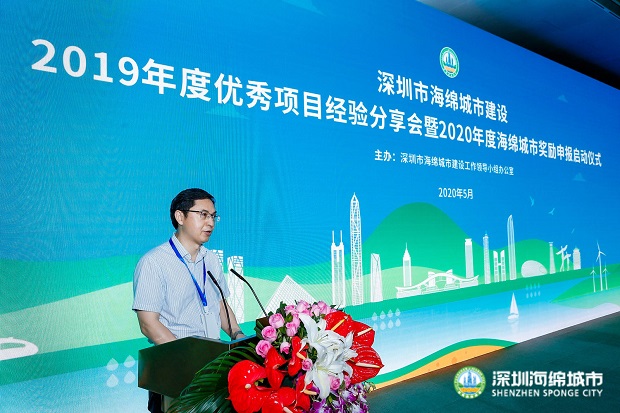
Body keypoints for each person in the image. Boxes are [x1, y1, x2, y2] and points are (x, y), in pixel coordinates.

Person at [133, 188, 244, 413]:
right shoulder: (154, 262)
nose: (210, 222)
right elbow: (148, 323)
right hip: (174, 371)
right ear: (180, 216)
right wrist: (187, 359)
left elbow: (220, 305)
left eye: (213, 216)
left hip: (213, 368)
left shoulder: (211, 260)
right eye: (203, 214)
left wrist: (238, 336)